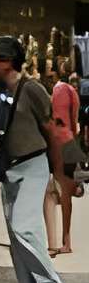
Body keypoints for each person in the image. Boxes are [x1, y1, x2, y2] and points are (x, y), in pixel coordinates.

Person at [0, 37, 69, 283]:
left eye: (1, 59)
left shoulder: (32, 89)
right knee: (16, 237)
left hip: (33, 164)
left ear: (14, 61)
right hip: (8, 169)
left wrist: (58, 172)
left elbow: (52, 131)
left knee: (25, 228)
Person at [50, 58, 83, 257]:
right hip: (70, 142)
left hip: (60, 143)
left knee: (56, 192)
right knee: (65, 194)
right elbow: (73, 122)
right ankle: (66, 240)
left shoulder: (59, 90)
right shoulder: (73, 91)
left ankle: (59, 241)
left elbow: (58, 120)